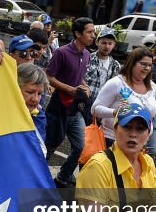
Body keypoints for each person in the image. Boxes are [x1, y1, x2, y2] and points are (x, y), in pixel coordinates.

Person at [92, 47, 156, 155]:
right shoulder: (116, 83)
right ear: (132, 63)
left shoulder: (152, 87)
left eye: (149, 65)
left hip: (139, 144)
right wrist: (115, 112)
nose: (146, 68)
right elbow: (95, 109)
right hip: (113, 142)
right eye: (143, 64)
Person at [45, 18, 95, 188]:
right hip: (58, 106)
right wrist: (70, 90)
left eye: (93, 32)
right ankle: (36, 174)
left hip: (76, 109)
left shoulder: (87, 54)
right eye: (89, 32)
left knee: (80, 146)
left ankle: (64, 176)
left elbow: (79, 78)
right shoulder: (62, 53)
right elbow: (50, 77)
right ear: (77, 33)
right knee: (50, 145)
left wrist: (85, 87)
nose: (92, 35)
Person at [83, 26, 120, 112]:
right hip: (84, 103)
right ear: (97, 42)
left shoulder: (116, 65)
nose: (107, 46)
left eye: (110, 43)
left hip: (102, 107)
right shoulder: (87, 58)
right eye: (103, 43)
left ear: (114, 45)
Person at [17, 60, 48, 142]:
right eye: (30, 92)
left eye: (39, 93)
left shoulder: (39, 117)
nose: (36, 99)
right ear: (15, 89)